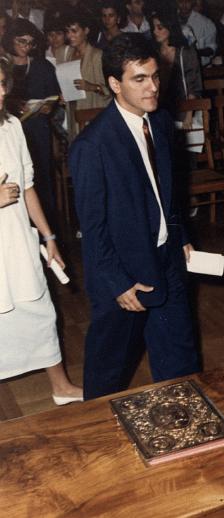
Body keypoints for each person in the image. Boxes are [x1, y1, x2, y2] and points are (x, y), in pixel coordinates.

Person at [69, 33, 200, 399]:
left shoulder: (158, 122)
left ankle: (185, 425)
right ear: (114, 84)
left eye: (155, 76)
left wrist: (180, 235)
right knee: (108, 371)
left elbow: (167, 194)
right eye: (139, 79)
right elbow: (92, 228)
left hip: (167, 257)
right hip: (124, 274)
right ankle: (96, 438)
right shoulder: (91, 146)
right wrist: (117, 282)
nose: (153, 87)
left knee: (180, 358)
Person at [0, 57, 83, 405]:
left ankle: (61, 387)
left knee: (40, 310)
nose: (1, 91)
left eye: (3, 83)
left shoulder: (11, 127)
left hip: (17, 239)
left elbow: (28, 186)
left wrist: (49, 238)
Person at [3, 19, 61, 215]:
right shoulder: (3, 66)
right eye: (21, 41)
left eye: (30, 43)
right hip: (9, 130)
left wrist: (48, 107)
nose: (26, 47)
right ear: (10, 40)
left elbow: (54, 96)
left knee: (41, 179)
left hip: (37, 131)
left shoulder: (42, 66)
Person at [60, 13, 111, 141]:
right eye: (67, 31)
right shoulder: (68, 55)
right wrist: (64, 95)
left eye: (74, 31)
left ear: (86, 31)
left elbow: (110, 89)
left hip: (93, 114)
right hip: (73, 114)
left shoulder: (97, 56)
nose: (69, 35)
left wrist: (92, 86)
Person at [150, 10, 201, 127]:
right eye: (153, 27)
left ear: (170, 28)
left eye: (160, 28)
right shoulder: (153, 54)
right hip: (160, 109)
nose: (155, 31)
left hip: (183, 109)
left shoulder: (185, 52)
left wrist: (188, 115)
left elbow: (193, 86)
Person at [177, 0, 216, 67]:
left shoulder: (205, 23)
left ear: (193, 2)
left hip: (201, 68)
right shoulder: (170, 21)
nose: (184, 5)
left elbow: (212, 49)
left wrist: (193, 53)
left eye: (187, 1)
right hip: (178, 68)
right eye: (181, 1)